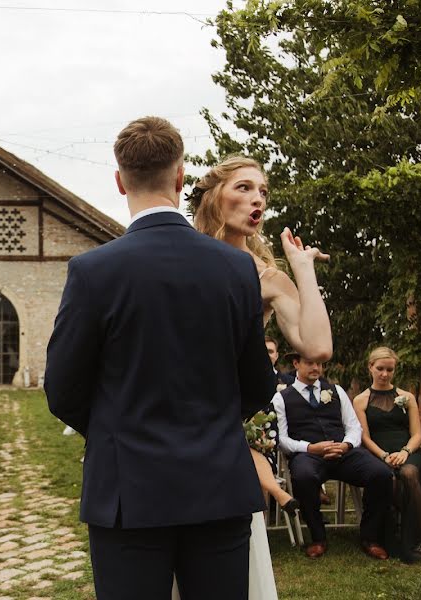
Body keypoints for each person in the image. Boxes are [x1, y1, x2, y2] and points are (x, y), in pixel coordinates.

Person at [45, 117, 275, 600]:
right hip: (218, 483)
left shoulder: (93, 270)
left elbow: (62, 388)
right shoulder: (235, 266)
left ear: (119, 181)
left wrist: (116, 430)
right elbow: (258, 381)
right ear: (179, 177)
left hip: (128, 492)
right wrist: (211, 428)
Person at [189, 155, 335, 595]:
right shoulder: (179, 259)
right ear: (214, 196)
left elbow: (317, 346)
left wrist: (302, 269)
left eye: (263, 192)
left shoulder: (265, 276)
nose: (258, 200)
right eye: (244, 188)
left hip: (227, 426)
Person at [273, 353, 393, 559]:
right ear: (296, 364)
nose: (316, 368)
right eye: (310, 363)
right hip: (308, 455)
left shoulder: (335, 391)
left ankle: (369, 537)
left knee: (381, 473)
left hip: (343, 453)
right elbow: (282, 439)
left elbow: (354, 427)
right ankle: (318, 537)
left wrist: (346, 445)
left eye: (319, 364)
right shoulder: (281, 398)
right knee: (303, 477)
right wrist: (311, 448)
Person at [353, 347, 421, 562]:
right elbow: (365, 438)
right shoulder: (361, 400)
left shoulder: (406, 397)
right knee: (388, 478)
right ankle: (392, 533)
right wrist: (384, 456)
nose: (385, 374)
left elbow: (417, 434)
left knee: (409, 473)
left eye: (389, 369)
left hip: (408, 450)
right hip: (379, 453)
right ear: (370, 367)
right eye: (380, 368)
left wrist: (405, 451)